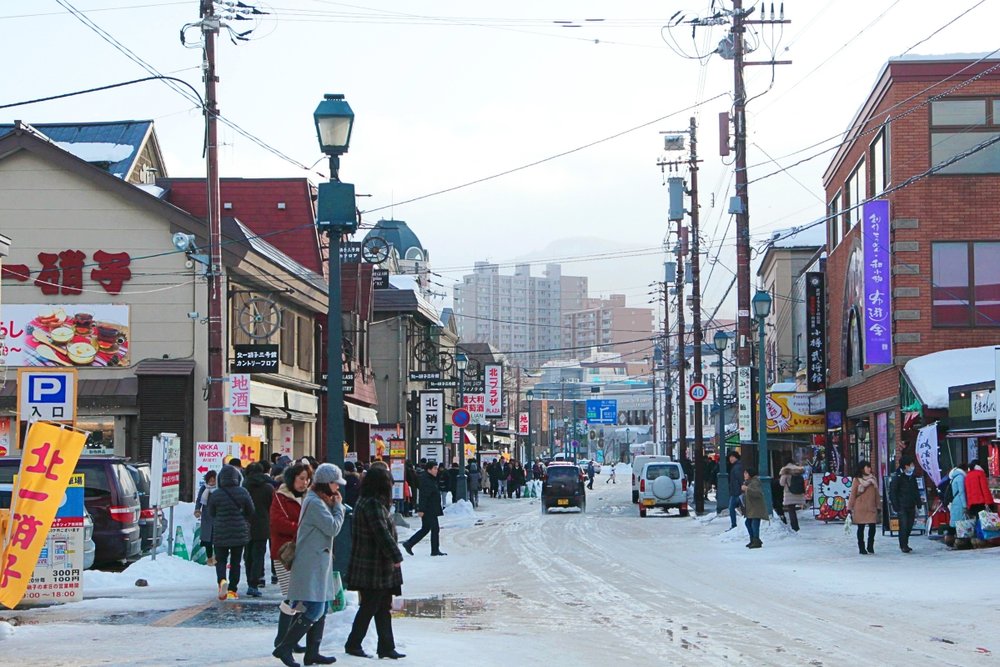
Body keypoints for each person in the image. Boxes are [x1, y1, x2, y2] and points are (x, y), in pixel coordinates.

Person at [272, 463, 346, 667]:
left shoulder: (316, 500)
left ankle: (312, 652)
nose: (338, 488)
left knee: (319, 607)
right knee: (314, 609)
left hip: (316, 560)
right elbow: (332, 528)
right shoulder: (315, 502)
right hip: (311, 561)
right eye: (335, 484)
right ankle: (285, 647)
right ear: (326, 484)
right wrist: (339, 508)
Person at [344, 467, 406, 660]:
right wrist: (396, 556)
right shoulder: (372, 504)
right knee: (371, 605)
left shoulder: (369, 502)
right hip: (374, 564)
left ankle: (386, 646)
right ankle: (354, 643)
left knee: (381, 605)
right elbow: (382, 534)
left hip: (375, 563)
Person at [270, 462, 310, 655]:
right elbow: (278, 523)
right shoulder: (280, 497)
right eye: (301, 478)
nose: (304, 482)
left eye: (307, 479)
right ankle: (283, 637)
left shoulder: (310, 498)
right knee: (291, 595)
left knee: (299, 595)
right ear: (292, 478)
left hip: (303, 553)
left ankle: (290, 638)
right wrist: (302, 529)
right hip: (284, 553)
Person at [207, 464, 255, 600]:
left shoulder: (216, 494)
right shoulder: (243, 492)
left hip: (221, 531)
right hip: (239, 532)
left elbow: (211, 513)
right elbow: (251, 510)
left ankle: (222, 581)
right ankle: (233, 590)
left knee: (220, 560)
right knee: (235, 562)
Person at [401, 461, 446, 556]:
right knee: (434, 528)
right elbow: (423, 496)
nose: (436, 470)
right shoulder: (426, 480)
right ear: (429, 469)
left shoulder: (430, 478)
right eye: (434, 468)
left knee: (426, 528)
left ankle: (409, 543)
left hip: (431, 508)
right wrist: (421, 509)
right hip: (428, 509)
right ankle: (434, 550)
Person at [243, 462, 274, 597]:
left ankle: (249, 580)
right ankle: (255, 582)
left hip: (246, 524)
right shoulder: (268, 488)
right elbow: (271, 507)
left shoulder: (244, 486)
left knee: (248, 554)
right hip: (262, 524)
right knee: (258, 555)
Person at [889, 455, 922, 553]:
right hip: (902, 506)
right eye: (911, 464)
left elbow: (916, 491)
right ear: (906, 466)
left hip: (911, 505)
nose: (913, 466)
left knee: (910, 525)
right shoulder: (898, 477)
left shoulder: (912, 477)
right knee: (903, 525)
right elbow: (893, 492)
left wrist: (918, 503)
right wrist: (896, 505)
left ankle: (905, 542)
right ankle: (903, 545)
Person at [847, 460, 881, 555]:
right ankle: (861, 547)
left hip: (871, 507)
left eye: (870, 467)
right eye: (867, 467)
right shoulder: (857, 480)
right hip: (860, 507)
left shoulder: (873, 479)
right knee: (861, 528)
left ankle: (870, 546)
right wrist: (849, 508)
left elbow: (876, 494)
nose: (869, 469)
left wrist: (878, 506)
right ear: (862, 468)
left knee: (872, 527)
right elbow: (852, 494)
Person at [193, 470, 217, 566]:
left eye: (214, 480)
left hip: (217, 516)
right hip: (207, 516)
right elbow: (199, 500)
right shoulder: (204, 488)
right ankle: (210, 558)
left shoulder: (219, 489)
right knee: (208, 539)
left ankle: (217, 557)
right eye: (210, 480)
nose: (212, 482)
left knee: (217, 538)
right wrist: (197, 509)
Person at [778, 458, 806, 532]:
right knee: (793, 510)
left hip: (789, 493)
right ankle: (795, 526)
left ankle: (795, 526)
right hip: (799, 492)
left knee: (791, 510)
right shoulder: (799, 470)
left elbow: (781, 483)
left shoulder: (785, 471)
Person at [741, 467, 766, 549]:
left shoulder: (755, 482)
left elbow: (758, 493)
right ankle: (754, 539)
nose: (744, 475)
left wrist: (747, 489)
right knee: (748, 523)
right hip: (752, 507)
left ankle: (756, 540)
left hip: (756, 508)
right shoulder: (749, 482)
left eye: (746, 473)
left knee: (754, 524)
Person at [947, 463, 969, 541]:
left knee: (954, 520)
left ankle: (950, 538)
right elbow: (961, 492)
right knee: (959, 521)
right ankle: (956, 538)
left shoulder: (954, 477)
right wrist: (964, 505)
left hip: (955, 501)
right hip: (959, 502)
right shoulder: (960, 477)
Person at [727, 451, 744, 530]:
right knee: (740, 508)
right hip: (737, 491)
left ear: (735, 457)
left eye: (731, 457)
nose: (730, 459)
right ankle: (737, 524)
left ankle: (734, 525)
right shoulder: (737, 466)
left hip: (736, 492)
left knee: (732, 508)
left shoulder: (736, 467)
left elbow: (739, 479)